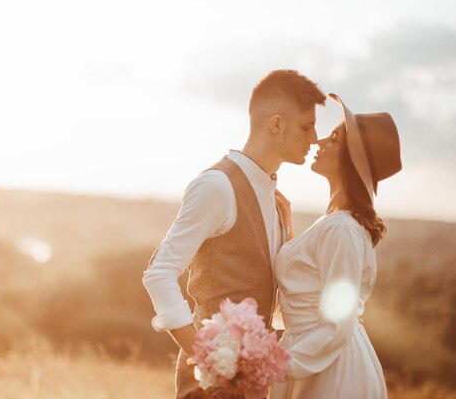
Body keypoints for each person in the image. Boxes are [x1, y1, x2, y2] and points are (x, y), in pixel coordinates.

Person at [142, 69, 326, 399]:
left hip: (255, 384)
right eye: (306, 126)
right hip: (210, 387)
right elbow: (159, 273)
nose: (314, 138)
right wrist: (207, 357)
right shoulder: (217, 186)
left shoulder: (276, 199)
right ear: (276, 124)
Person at [270, 94, 402, 399]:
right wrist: (289, 232)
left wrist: (274, 364)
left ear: (351, 158)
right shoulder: (335, 223)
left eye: (334, 138)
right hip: (318, 358)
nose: (319, 142)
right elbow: (307, 287)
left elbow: (337, 324)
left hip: (331, 371)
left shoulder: (341, 229)